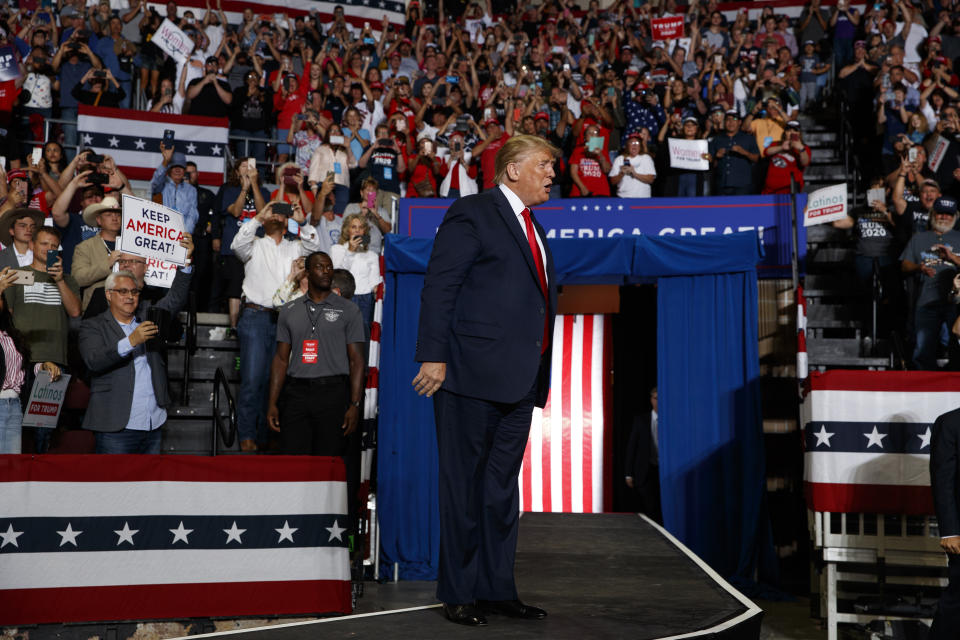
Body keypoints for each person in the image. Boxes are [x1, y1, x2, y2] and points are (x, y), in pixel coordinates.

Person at [412, 135, 558, 627]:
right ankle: (459, 592)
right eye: (544, 165)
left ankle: (497, 590)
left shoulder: (534, 227)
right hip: (468, 376)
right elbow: (441, 284)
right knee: (464, 490)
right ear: (513, 169)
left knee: (500, 493)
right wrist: (433, 356)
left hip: (518, 383)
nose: (552, 174)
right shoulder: (473, 211)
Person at [78, 240, 193, 454]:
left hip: (153, 421)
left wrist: (185, 262)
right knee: (116, 485)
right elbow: (94, 361)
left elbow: (175, 298)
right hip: (115, 425)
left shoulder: (148, 318)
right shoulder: (93, 326)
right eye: (122, 291)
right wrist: (131, 341)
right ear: (109, 295)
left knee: (150, 488)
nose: (130, 297)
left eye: (134, 292)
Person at [230, 200, 323, 452]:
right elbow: (236, 245)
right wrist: (259, 217)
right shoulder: (255, 245)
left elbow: (317, 248)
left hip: (289, 319)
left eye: (282, 214)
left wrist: (301, 221)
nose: (277, 216)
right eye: (274, 212)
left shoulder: (296, 247)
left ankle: (267, 437)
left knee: (279, 382)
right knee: (252, 380)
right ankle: (248, 435)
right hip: (256, 317)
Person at [266, 251, 365, 455]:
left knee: (329, 460)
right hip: (296, 393)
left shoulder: (349, 310)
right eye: (320, 267)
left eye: (329, 267)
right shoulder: (289, 310)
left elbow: (357, 361)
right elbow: (281, 359)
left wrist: (355, 404)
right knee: (293, 460)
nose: (326, 271)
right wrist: (272, 402)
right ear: (308, 273)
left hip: (333, 392)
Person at [2, 226, 81, 453]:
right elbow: (7, 314)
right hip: (20, 361)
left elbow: (75, 311)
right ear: (33, 245)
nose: (49, 249)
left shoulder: (67, 279)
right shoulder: (16, 275)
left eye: (54, 246)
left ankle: (38, 479)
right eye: (44, 244)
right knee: (16, 422)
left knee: (44, 428)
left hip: (54, 360)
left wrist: (59, 280)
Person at [0, 266, 61, 454]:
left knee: (12, 470)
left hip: (14, 406)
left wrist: (42, 366)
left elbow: (21, 369)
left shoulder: (9, 335)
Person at [901, 197, 960, 370]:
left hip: (955, 304)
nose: (943, 217)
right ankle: (924, 388)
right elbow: (904, 265)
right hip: (926, 301)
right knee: (922, 350)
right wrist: (918, 267)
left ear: (954, 217)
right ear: (933, 214)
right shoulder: (919, 238)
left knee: (956, 347)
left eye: (948, 214)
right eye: (940, 213)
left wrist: (953, 258)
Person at [929, 406, 960, 639]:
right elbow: (943, 481)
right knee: (957, 599)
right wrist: (950, 531)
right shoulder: (950, 423)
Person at [72, 196, 123, 313]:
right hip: (95, 311)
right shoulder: (85, 247)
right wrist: (107, 264)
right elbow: (78, 278)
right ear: (99, 220)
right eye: (109, 215)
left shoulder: (129, 246)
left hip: (125, 309)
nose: (115, 218)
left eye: (118, 215)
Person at [624, 387, 661, 524]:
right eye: (655, 398)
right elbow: (632, 447)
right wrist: (628, 473)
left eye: (660, 398)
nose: (658, 402)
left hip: (664, 470)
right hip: (646, 471)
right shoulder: (641, 420)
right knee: (650, 506)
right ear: (651, 400)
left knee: (660, 506)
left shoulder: (671, 421)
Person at [707, 110, 760, 195]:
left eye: (734, 119)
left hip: (742, 185)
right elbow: (711, 161)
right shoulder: (717, 139)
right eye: (728, 120)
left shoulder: (749, 138)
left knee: (741, 208)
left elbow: (757, 159)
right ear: (724, 122)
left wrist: (744, 152)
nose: (731, 122)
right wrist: (716, 156)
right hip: (722, 184)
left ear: (739, 122)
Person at [150, 146, 199, 233]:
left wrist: (184, 235)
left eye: (181, 167)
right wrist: (165, 161)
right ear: (168, 169)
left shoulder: (191, 190)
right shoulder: (161, 185)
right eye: (174, 166)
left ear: (184, 171)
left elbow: (192, 215)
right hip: (160, 232)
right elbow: (155, 182)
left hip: (182, 235)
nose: (177, 169)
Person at [609, 132, 656, 198]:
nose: (634, 145)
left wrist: (634, 173)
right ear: (627, 145)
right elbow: (612, 182)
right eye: (631, 142)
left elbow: (651, 179)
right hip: (623, 198)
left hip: (642, 199)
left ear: (640, 146)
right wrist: (621, 174)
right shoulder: (619, 159)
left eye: (637, 143)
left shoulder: (646, 158)